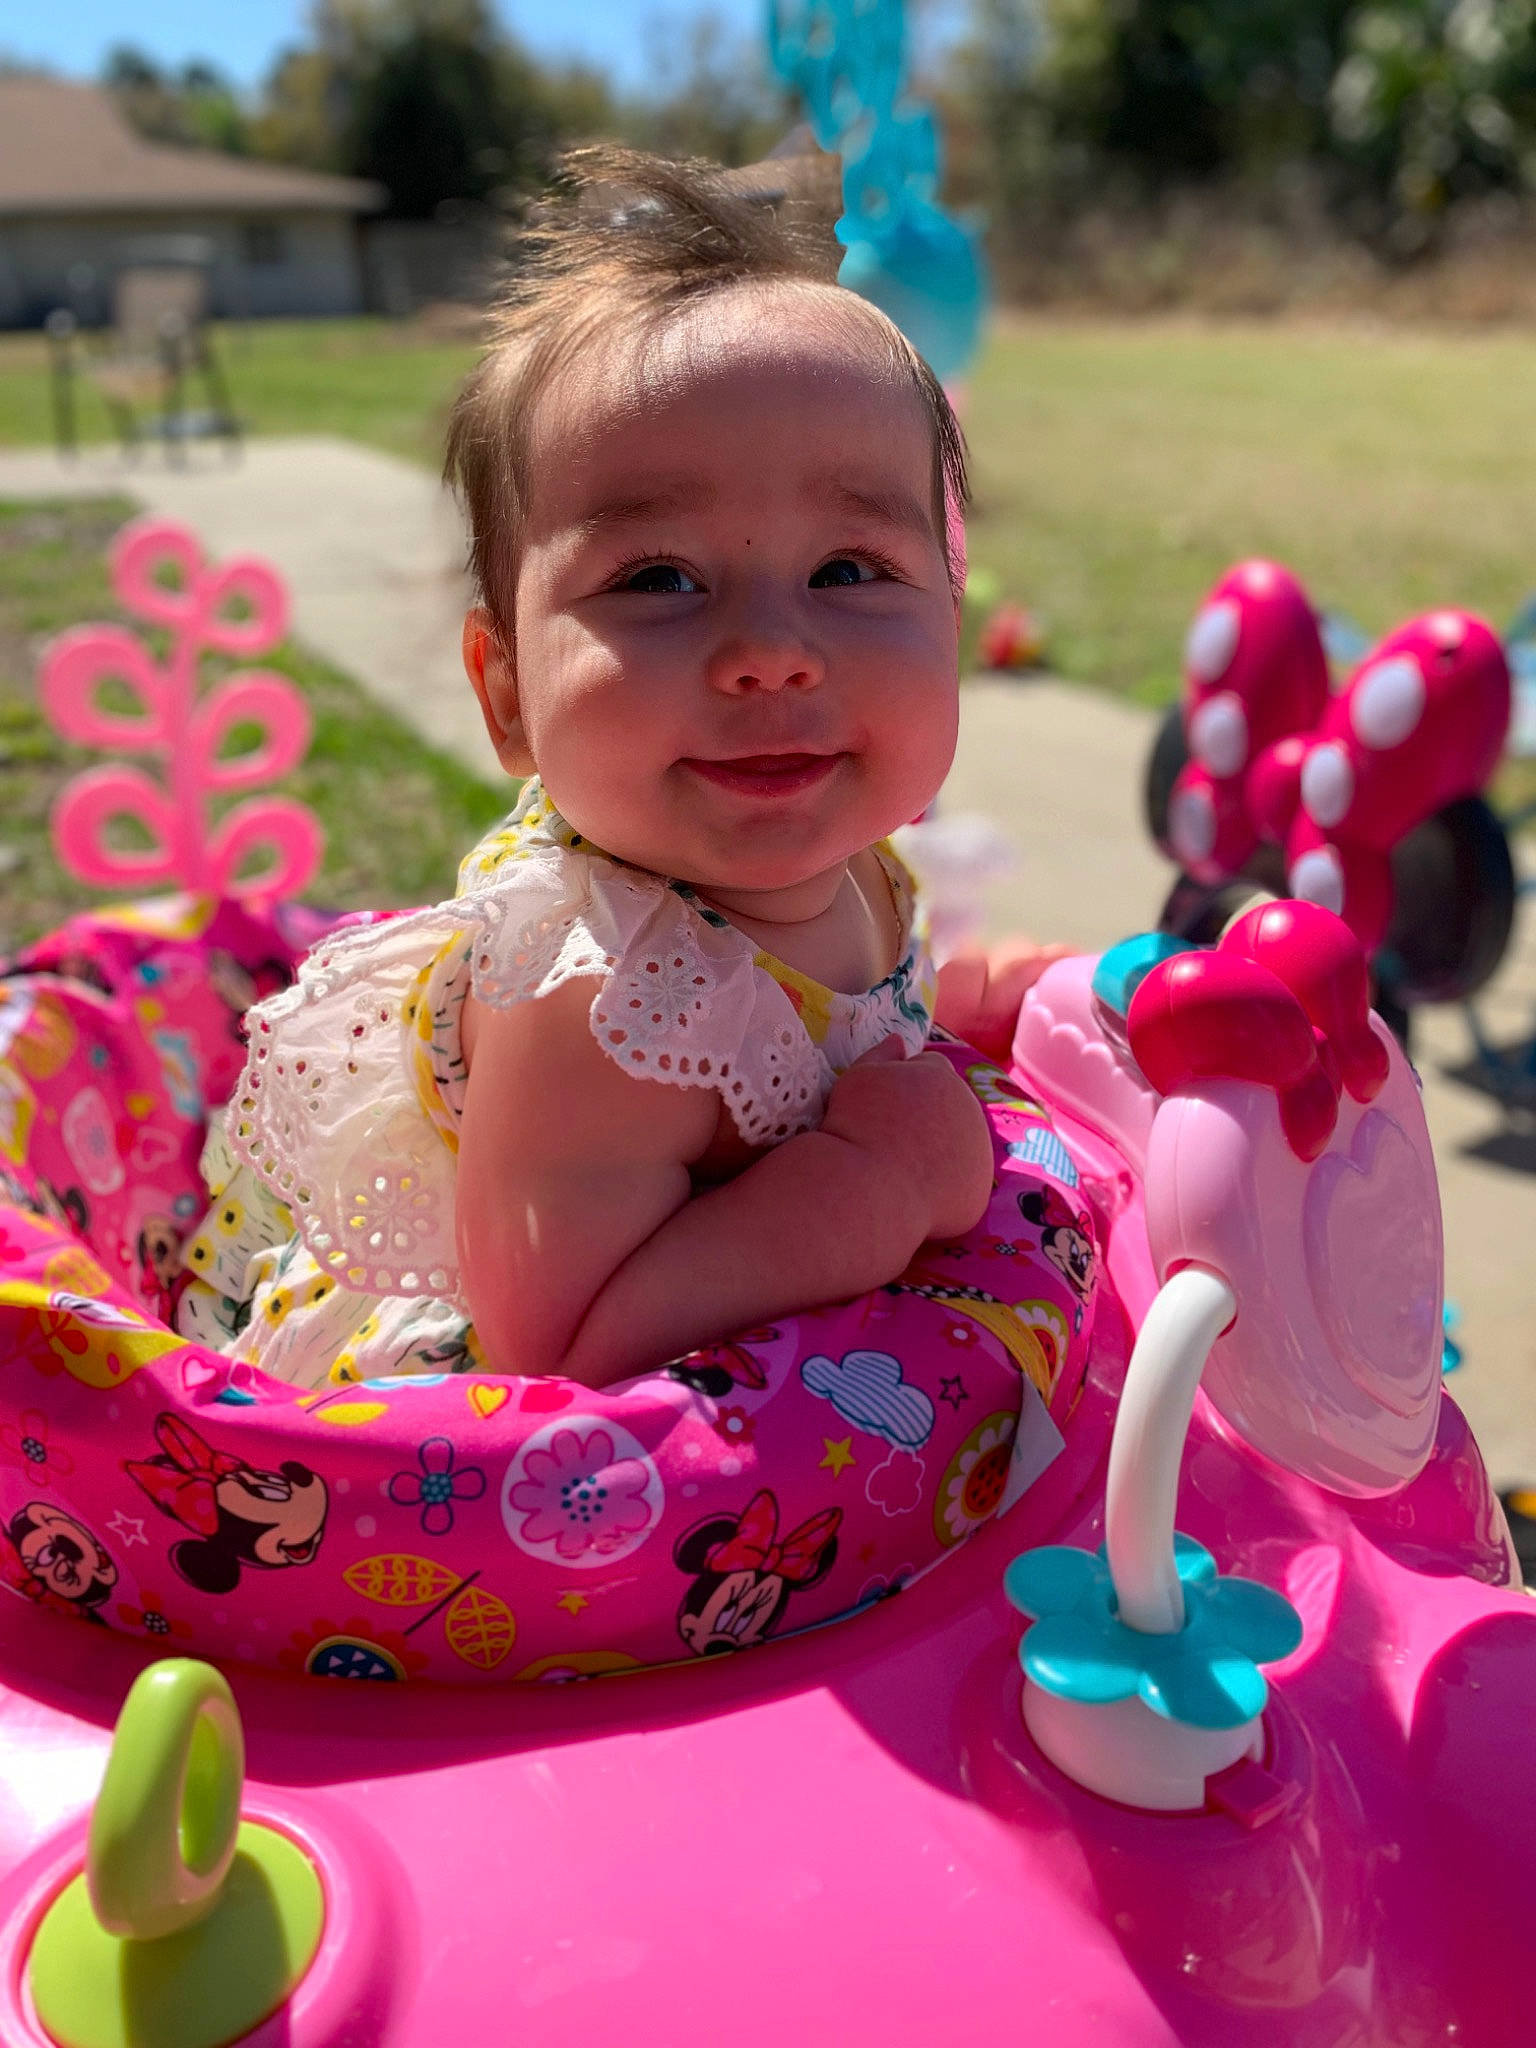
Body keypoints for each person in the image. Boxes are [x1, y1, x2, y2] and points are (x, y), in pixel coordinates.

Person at [187, 148, 1062, 1392]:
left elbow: (841, 1030)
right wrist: (869, 1187)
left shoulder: (829, 834)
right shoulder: (595, 1001)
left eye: (849, 569)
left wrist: (963, 1003)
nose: (772, 654)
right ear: (508, 695)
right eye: (658, 580)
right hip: (459, 1435)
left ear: (953, 623)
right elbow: (562, 1345)